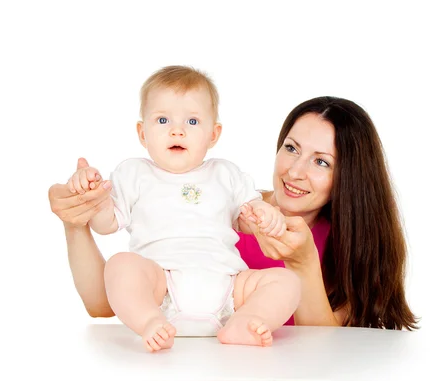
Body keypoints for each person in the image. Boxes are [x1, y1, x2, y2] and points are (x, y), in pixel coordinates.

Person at [49, 95, 419, 333]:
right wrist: (75, 221)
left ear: (349, 177)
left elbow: (323, 348)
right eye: (291, 148)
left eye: (321, 161)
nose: (294, 171)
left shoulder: (354, 245)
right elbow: (101, 304)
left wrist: (303, 262)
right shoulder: (224, 206)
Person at [63, 65, 302, 352]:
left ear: (213, 135)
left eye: (192, 121)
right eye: (162, 120)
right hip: (160, 286)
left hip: (229, 290)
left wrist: (265, 216)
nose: (177, 130)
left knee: (286, 281)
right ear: (142, 133)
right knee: (121, 265)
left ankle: (247, 321)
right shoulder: (134, 173)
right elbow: (105, 224)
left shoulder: (226, 174)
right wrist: (94, 196)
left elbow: (249, 217)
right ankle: (149, 321)